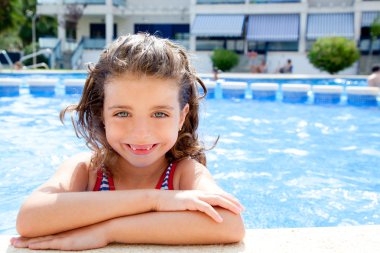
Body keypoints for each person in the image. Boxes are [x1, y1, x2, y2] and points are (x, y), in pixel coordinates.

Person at [11, 33, 245, 251]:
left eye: (160, 114)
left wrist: (108, 231)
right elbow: (29, 219)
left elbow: (230, 223)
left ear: (181, 117)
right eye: (122, 113)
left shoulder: (184, 173)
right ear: (102, 114)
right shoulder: (88, 170)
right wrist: (155, 200)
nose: (141, 133)